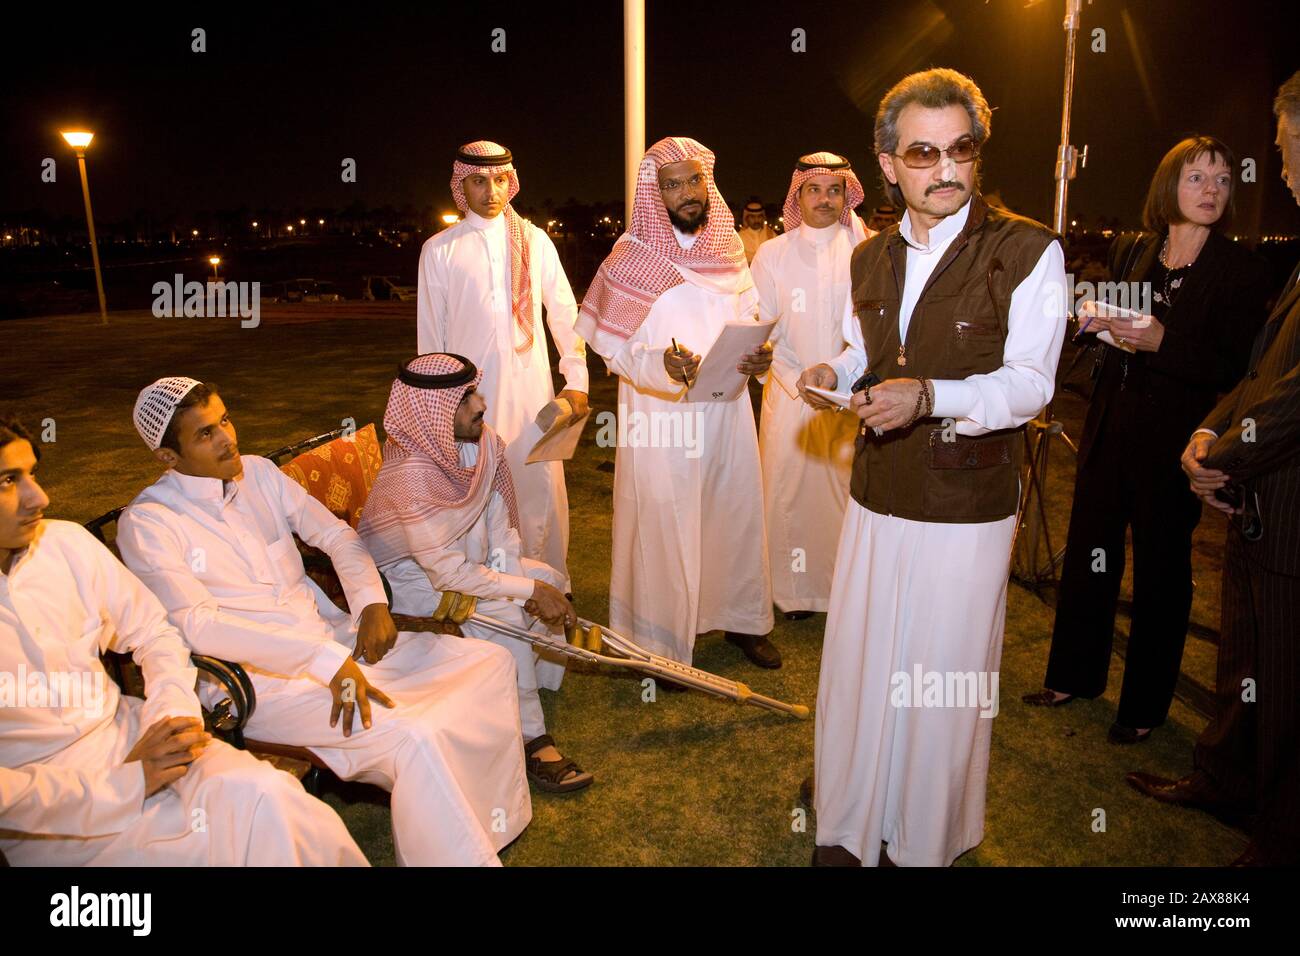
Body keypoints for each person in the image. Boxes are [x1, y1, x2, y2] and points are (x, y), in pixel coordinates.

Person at [798, 68, 1067, 866]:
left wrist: (931, 397)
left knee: (942, 678)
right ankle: (848, 823)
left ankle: (920, 842)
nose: (946, 169)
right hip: (879, 495)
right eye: (923, 152)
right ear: (886, 164)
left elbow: (1031, 383)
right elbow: (862, 352)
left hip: (968, 507)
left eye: (962, 149)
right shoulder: (869, 257)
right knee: (863, 662)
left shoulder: (1026, 251)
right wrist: (835, 377)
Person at [115, 377, 531, 866]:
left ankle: (491, 824)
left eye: (225, 419)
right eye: (205, 434)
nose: (228, 437)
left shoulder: (258, 474)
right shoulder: (149, 523)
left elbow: (336, 536)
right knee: (412, 733)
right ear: (168, 457)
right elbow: (200, 626)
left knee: (489, 662)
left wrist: (370, 604)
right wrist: (322, 660)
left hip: (337, 642)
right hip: (262, 685)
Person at [0, 416, 367, 866]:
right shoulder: (150, 520)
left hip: (138, 734)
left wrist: (169, 717)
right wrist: (131, 781)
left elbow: (155, 632)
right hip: (54, 814)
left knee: (276, 800)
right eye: (7, 480)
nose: (40, 497)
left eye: (32, 474)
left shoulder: (65, 544)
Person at [1023, 136, 1271, 743]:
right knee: (1089, 553)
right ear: (1170, 187)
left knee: (1162, 571)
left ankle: (1142, 707)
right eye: (1197, 178)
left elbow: (1238, 370)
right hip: (1110, 427)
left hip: (1175, 443)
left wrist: (1164, 342)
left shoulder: (1238, 270)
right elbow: (1112, 316)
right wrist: (1093, 320)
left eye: (1220, 180)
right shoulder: (1137, 250)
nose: (1211, 190)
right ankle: (1073, 675)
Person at [1127, 72, 1300, 867]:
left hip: (1281, 496)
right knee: (1246, 659)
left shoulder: (1244, 264)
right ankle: (1225, 778)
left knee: (1285, 677)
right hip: (1255, 495)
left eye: (1284, 136)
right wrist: (1210, 433)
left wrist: (1218, 454)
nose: (1278, 157)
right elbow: (1263, 375)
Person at [577, 136, 778, 670]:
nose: (687, 193)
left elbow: (754, 316)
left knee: (733, 514)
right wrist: (657, 367)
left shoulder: (731, 251)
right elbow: (612, 349)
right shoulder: (630, 258)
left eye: (694, 181)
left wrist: (762, 358)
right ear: (654, 193)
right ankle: (660, 642)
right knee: (665, 522)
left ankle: (740, 620)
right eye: (673, 185)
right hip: (660, 417)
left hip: (727, 410)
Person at [360, 353, 593, 792]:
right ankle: (532, 739)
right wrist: (520, 590)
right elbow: (447, 575)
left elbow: (498, 520)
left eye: (474, 391)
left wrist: (517, 576)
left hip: (468, 561)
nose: (479, 405)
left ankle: (527, 685)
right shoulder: (409, 476)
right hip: (414, 582)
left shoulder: (480, 443)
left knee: (550, 578)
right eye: (464, 398)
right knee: (503, 616)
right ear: (434, 410)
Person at [417, 141, 588, 589]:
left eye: (498, 180)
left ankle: (548, 586)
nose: (490, 191)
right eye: (478, 181)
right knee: (476, 492)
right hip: (469, 402)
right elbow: (430, 336)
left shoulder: (534, 239)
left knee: (538, 492)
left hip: (533, 396)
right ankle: (488, 592)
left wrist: (577, 379)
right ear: (461, 185)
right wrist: (439, 408)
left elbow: (564, 313)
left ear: (510, 182)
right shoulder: (440, 249)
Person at [753, 152, 872, 620]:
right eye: (814, 190)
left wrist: (841, 380)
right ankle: (793, 594)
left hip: (850, 395)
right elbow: (761, 328)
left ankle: (842, 591)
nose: (824, 199)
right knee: (788, 492)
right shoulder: (773, 253)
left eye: (834, 190)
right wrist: (791, 380)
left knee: (844, 493)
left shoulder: (866, 249)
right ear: (797, 195)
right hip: (788, 393)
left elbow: (870, 331)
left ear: (847, 195)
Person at [738, 199, 777, 263]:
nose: (756, 220)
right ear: (746, 218)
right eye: (752, 217)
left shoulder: (771, 235)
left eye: (759, 217)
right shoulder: (740, 237)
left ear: (763, 218)